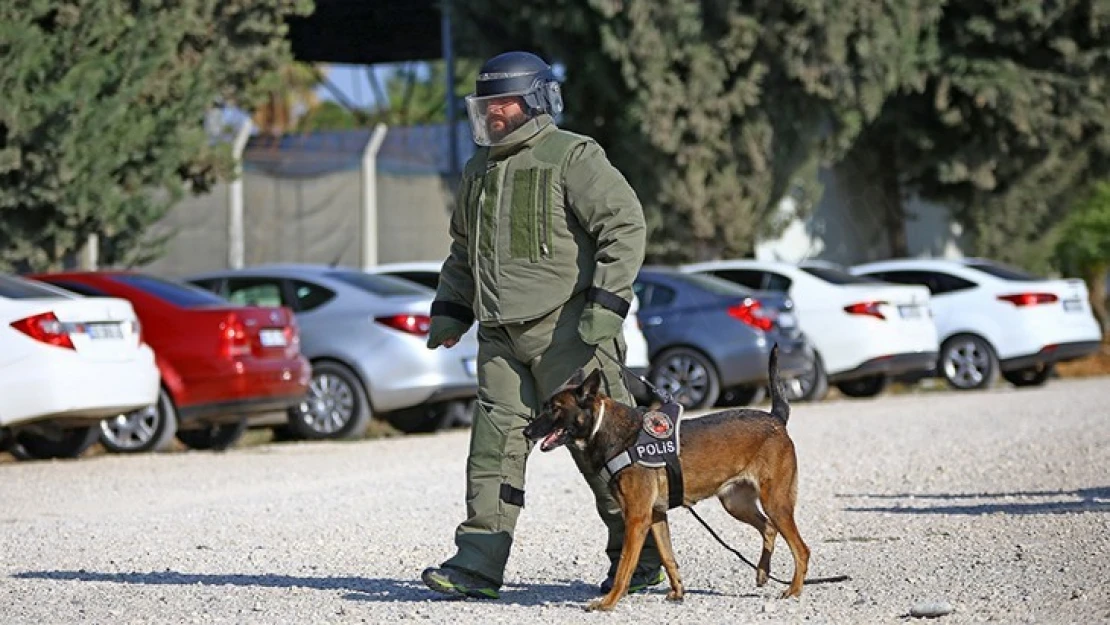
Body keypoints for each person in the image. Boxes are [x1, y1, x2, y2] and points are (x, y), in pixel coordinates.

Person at [420, 50, 663, 600]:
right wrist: (450, 310)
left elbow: (624, 225)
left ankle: (642, 559)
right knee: (492, 448)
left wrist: (606, 306)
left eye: (503, 102)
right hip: (500, 338)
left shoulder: (572, 155)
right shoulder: (476, 168)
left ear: (534, 100)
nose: (494, 114)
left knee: (607, 452)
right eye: (486, 105)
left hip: (571, 333)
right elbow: (464, 250)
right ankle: (477, 565)